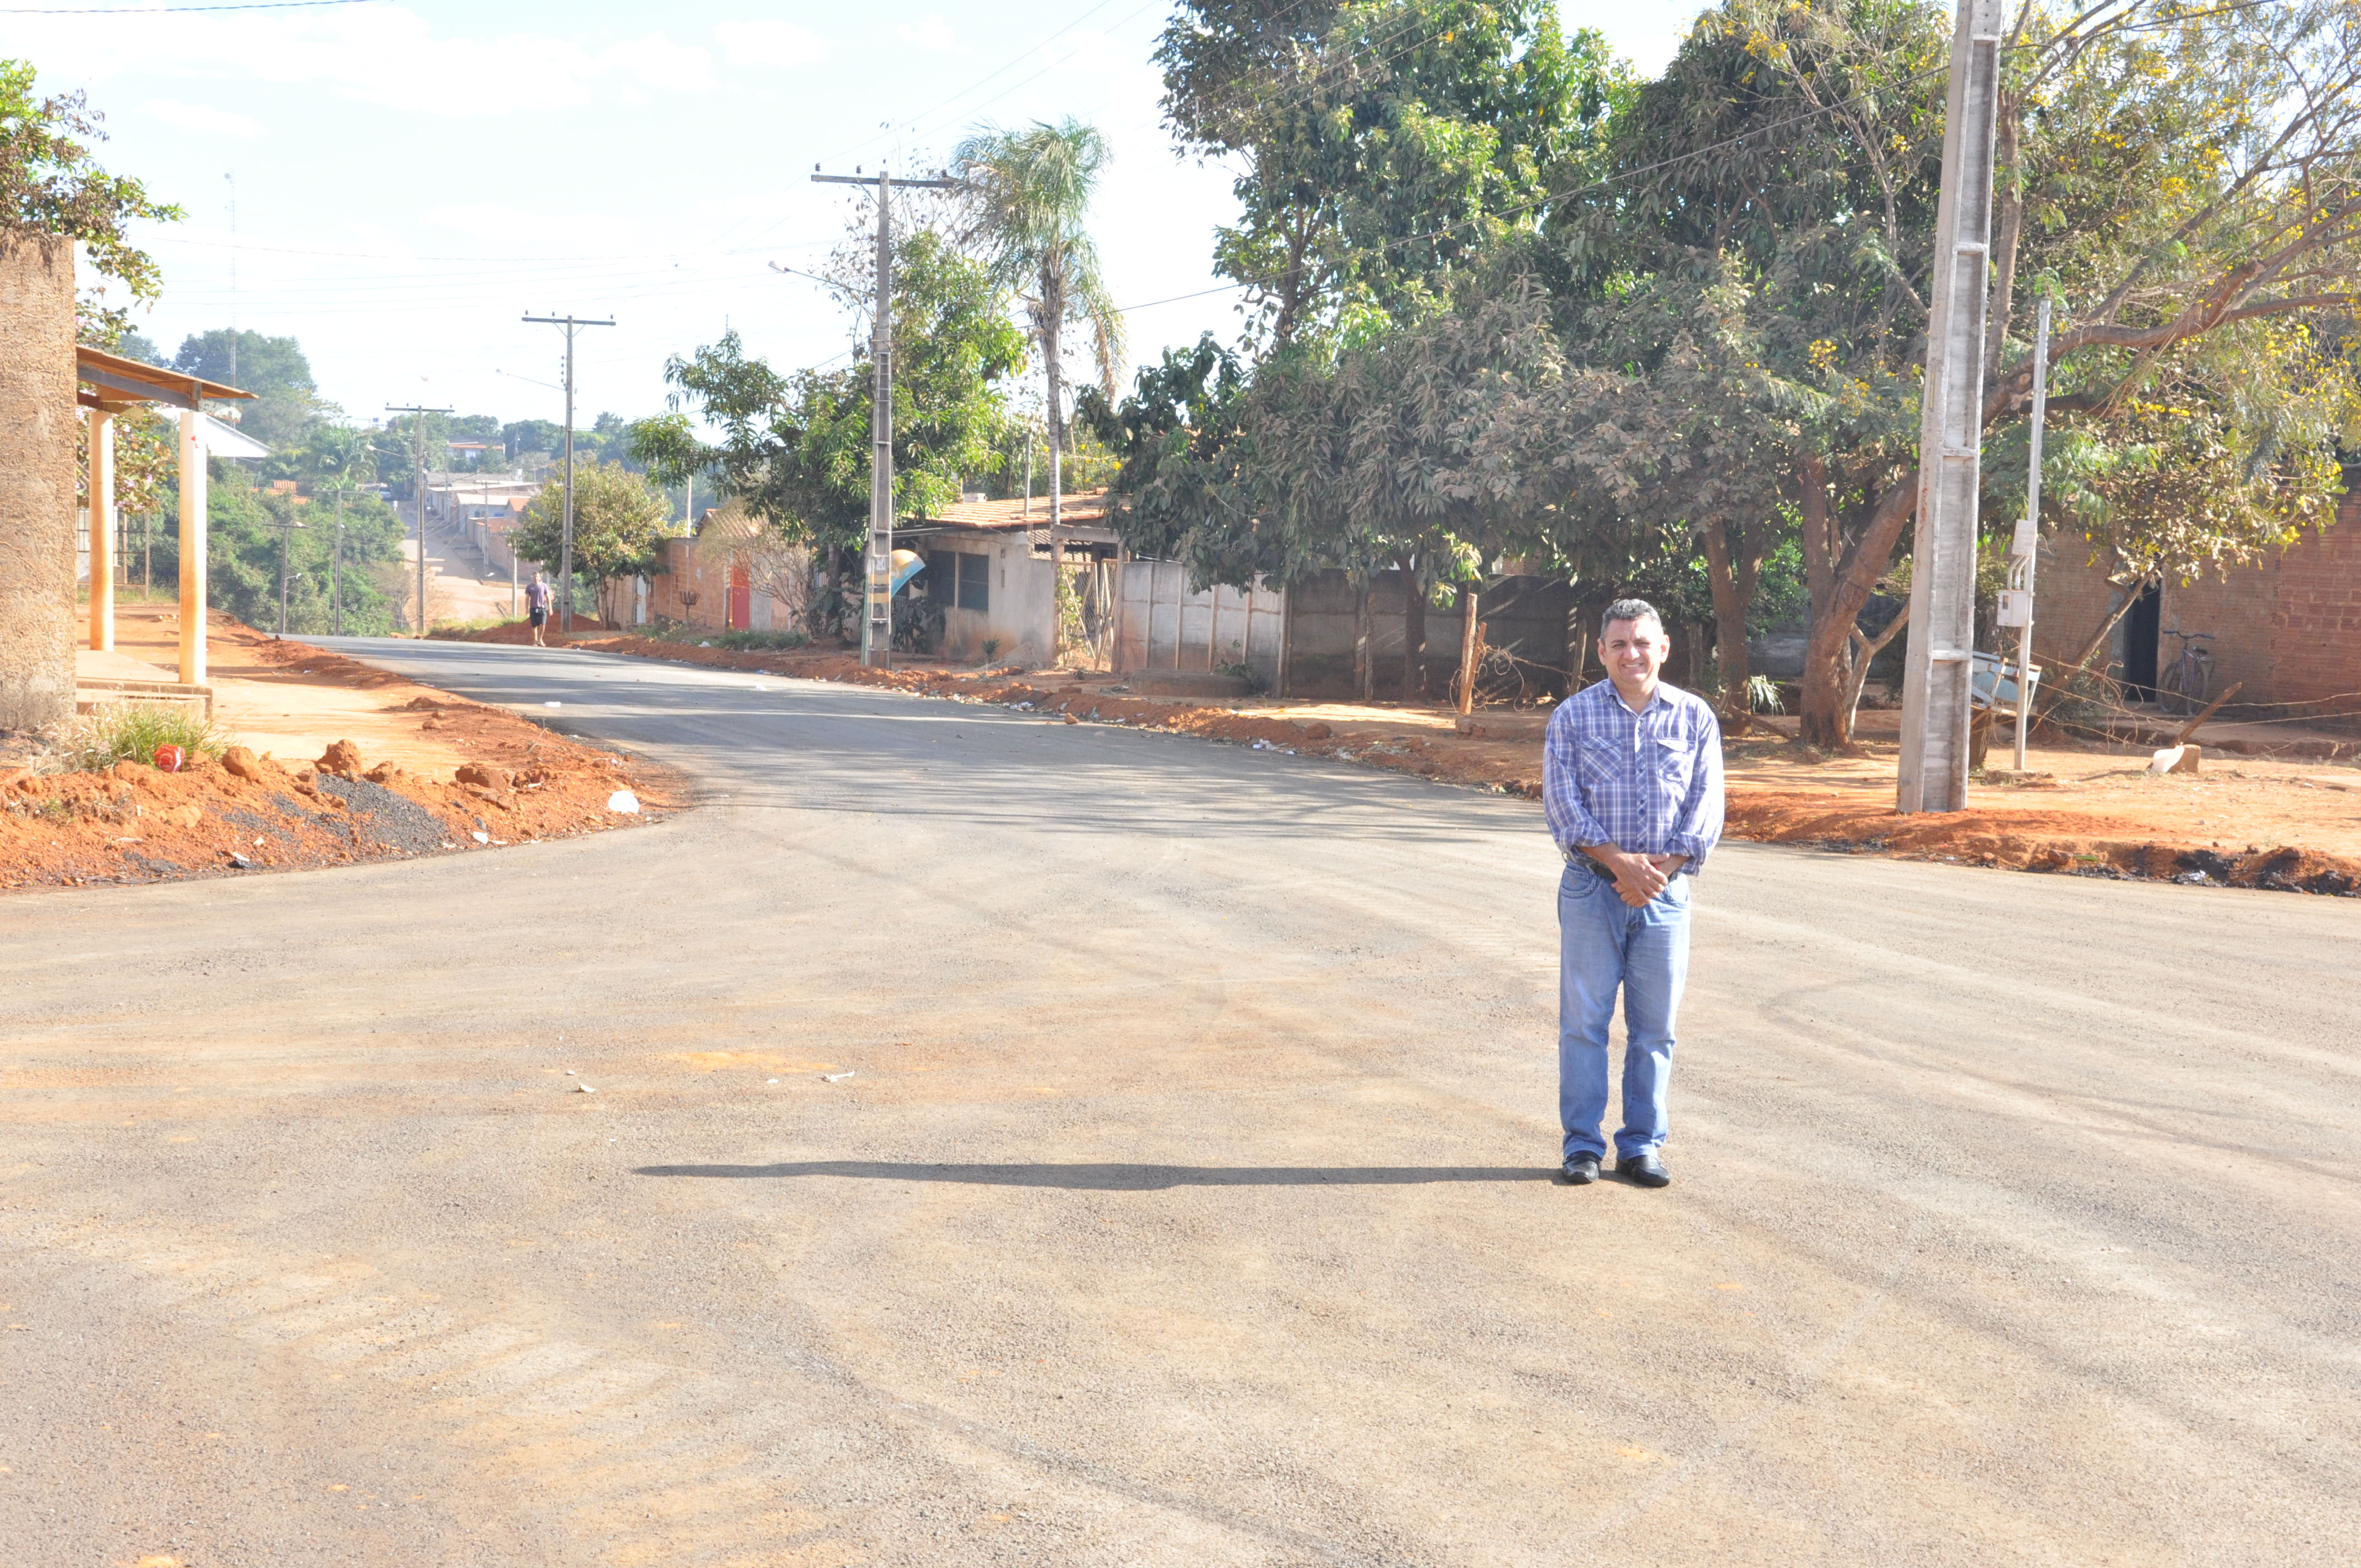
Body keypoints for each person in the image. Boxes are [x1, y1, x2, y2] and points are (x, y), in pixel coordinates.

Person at [1542, 598, 1724, 1189]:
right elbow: (1562, 805)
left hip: (1664, 898)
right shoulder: (1571, 717)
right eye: (1619, 644)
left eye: (1642, 642)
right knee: (1583, 1025)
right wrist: (1620, 864)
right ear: (1600, 652)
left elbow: (1707, 803)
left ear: (1663, 648)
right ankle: (1582, 1147)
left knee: (1654, 1029)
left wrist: (1661, 871)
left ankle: (1642, 1145)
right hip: (1591, 890)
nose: (1631, 654)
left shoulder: (1694, 718)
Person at [525, 570, 552, 646]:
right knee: (534, 626)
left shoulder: (544, 586)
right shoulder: (529, 587)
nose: (536, 578)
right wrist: (527, 609)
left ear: (540, 578)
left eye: (537, 577)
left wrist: (550, 608)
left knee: (543, 624)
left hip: (542, 608)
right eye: (534, 577)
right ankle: (535, 641)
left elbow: (548, 597)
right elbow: (527, 598)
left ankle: (540, 639)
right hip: (533, 608)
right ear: (532, 578)